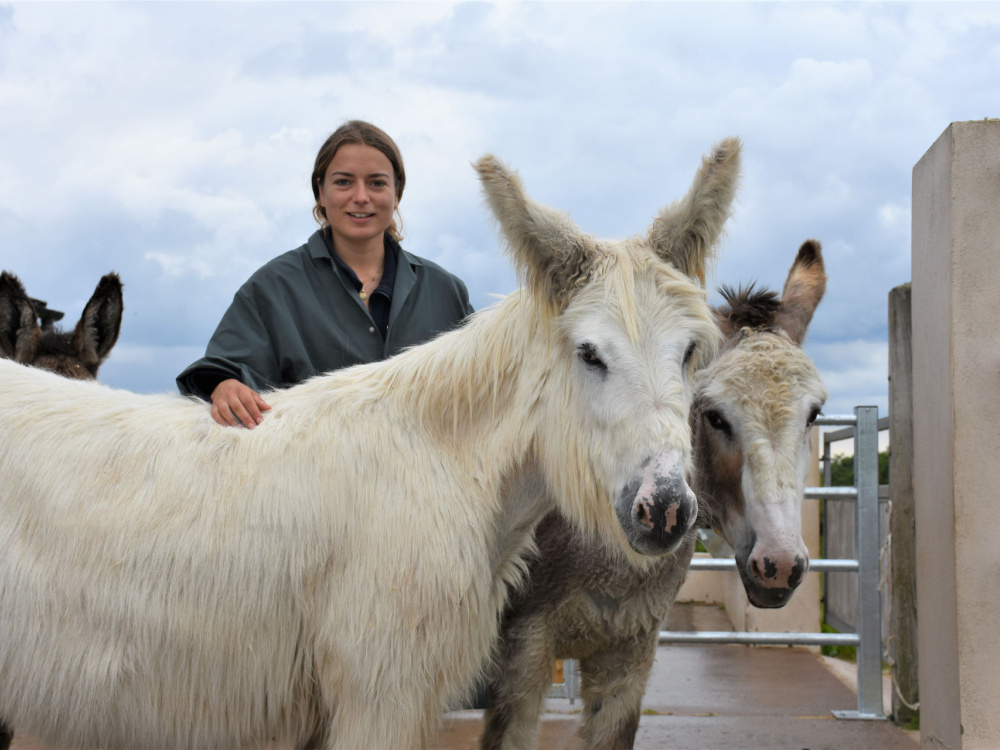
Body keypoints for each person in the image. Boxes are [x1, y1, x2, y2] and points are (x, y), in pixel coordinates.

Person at [177, 120, 474, 427]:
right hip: (309, 472)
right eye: (344, 182)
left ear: (397, 193)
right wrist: (224, 386)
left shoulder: (446, 291)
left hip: (425, 474)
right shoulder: (272, 287)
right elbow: (223, 367)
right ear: (320, 191)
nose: (361, 196)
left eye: (376, 183)